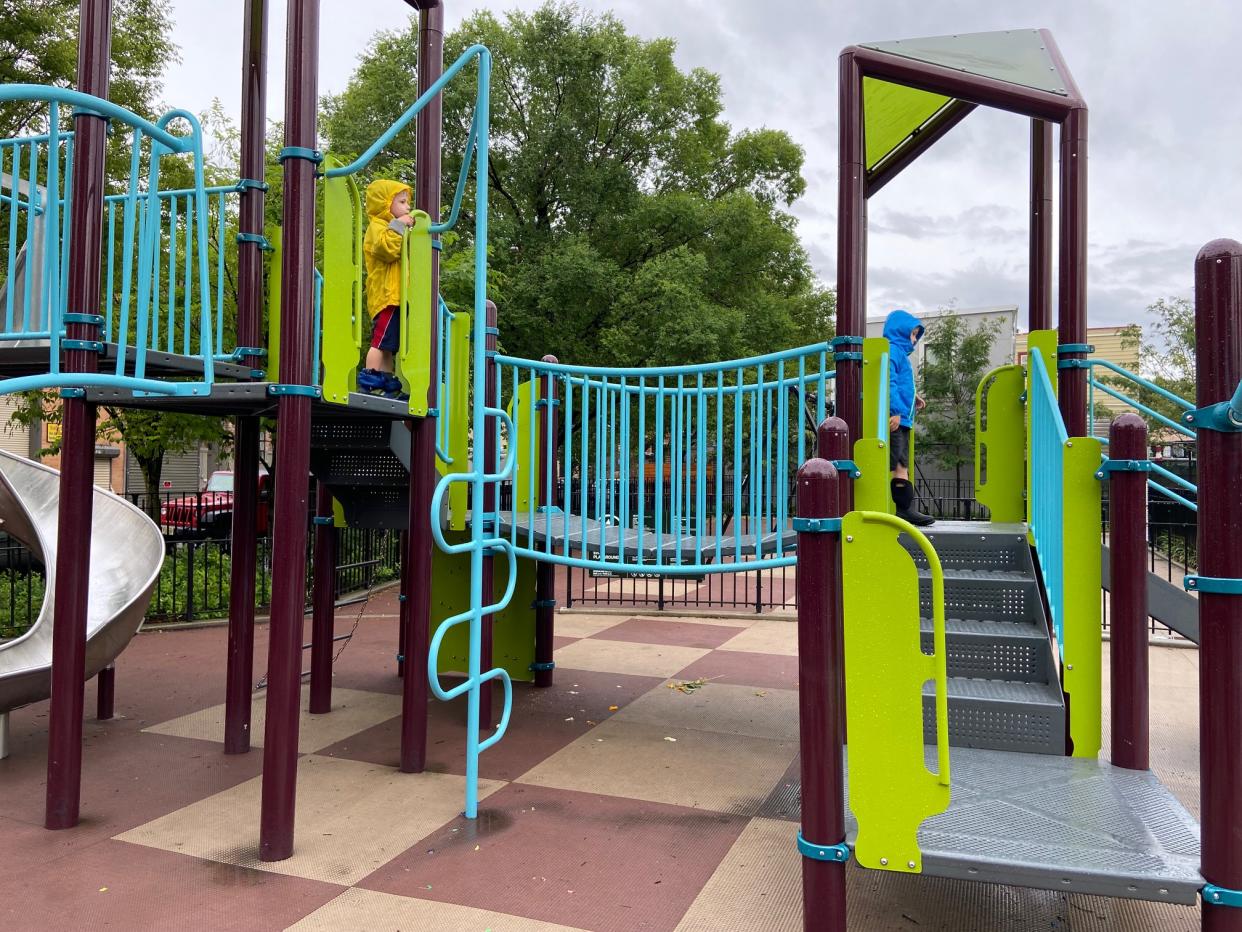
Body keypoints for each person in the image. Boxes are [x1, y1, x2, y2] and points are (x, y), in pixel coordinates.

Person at [358, 178, 415, 398]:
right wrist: (400, 225)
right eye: (401, 201)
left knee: (389, 345)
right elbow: (387, 250)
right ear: (385, 204)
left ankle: (388, 382)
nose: (407, 206)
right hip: (386, 296)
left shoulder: (391, 227)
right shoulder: (378, 227)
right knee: (380, 341)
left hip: (397, 296)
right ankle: (370, 381)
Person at [883, 309, 934, 527]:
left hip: (904, 418)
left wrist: (914, 398)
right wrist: (895, 410)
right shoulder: (893, 352)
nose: (915, 340)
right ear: (900, 332)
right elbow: (890, 382)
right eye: (913, 334)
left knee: (902, 463)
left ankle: (905, 508)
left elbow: (903, 386)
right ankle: (903, 510)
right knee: (897, 464)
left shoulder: (899, 355)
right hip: (898, 417)